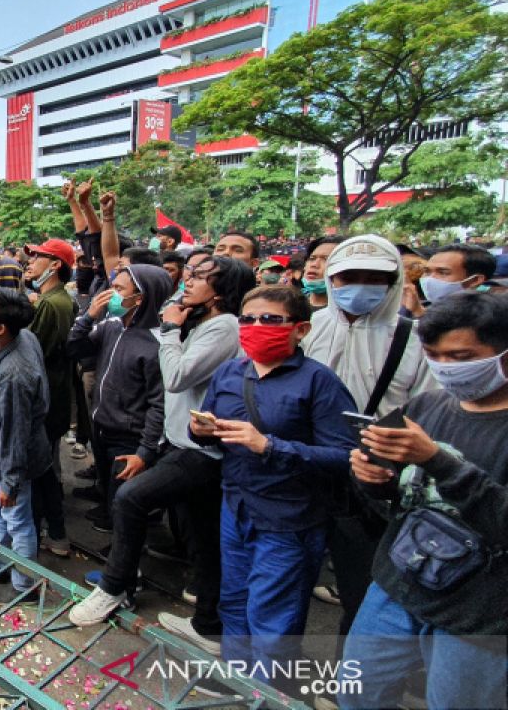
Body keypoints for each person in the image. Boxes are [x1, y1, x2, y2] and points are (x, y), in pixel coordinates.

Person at [342, 292, 508, 710]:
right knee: (358, 691)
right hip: (398, 586)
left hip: (480, 614)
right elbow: (400, 502)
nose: (446, 368)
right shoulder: (427, 405)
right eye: (434, 355)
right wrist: (373, 481)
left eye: (462, 356)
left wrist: (438, 460)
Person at [190, 285, 357, 674]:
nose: (256, 327)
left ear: (300, 329)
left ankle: (269, 692)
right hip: (236, 505)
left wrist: (269, 446)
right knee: (234, 602)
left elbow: (345, 455)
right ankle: (239, 682)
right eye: (248, 319)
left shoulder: (319, 382)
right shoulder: (230, 372)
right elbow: (214, 430)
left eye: (270, 319)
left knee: (273, 619)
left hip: (290, 518)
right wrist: (203, 430)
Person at [301, 235, 437, 639]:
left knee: (359, 584)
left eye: (372, 278)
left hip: (369, 476)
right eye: (347, 277)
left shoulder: (414, 339)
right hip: (304, 463)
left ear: (394, 281)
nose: (358, 287)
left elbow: (428, 414)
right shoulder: (312, 326)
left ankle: (349, 682)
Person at [143, 258, 255, 651]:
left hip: (198, 450)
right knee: (199, 536)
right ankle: (208, 617)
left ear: (221, 293)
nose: (187, 283)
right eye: (189, 276)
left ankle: (210, 622)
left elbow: (176, 377)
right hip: (181, 439)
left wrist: (172, 329)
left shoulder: (224, 328)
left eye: (200, 279)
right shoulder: (206, 323)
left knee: (140, 502)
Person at [66, 264, 171, 535]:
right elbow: (75, 346)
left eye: (119, 289)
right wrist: (87, 317)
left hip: (128, 436)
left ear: (141, 298)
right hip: (102, 425)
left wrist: (145, 451)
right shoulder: (111, 327)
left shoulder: (156, 344)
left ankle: (123, 565)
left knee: (124, 502)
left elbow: (159, 404)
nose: (111, 294)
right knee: (109, 490)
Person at [0, 289, 51, 605]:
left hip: (11, 461)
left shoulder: (13, 374)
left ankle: (22, 586)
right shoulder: (24, 336)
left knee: (17, 521)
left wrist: (11, 481)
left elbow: (15, 433)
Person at [22, 238, 76, 558]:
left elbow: (33, 353)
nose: (30, 262)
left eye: (38, 257)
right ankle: (52, 532)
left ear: (55, 265)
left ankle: (48, 532)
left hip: (45, 403)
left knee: (41, 472)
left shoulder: (51, 304)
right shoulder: (53, 300)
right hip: (52, 400)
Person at [419, 242, 496, 307]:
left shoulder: (491, 317)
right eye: (427, 271)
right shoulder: (424, 307)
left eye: (443, 272)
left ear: (475, 280)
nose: (430, 279)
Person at [300, 235, 345, 310]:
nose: (314, 264)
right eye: (312, 258)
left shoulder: (348, 314)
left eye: (326, 259)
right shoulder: (289, 303)